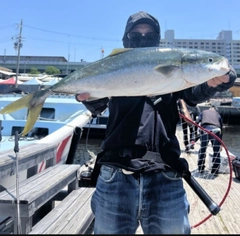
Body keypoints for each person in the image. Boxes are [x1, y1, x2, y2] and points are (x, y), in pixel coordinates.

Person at [75, 11, 237, 234]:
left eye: (149, 34)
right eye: (136, 34)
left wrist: (215, 83)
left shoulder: (174, 74)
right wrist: (85, 94)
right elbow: (97, 104)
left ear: (157, 39)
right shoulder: (114, 69)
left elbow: (193, 93)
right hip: (116, 175)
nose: (142, 38)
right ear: (126, 39)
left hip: (165, 175)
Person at [196, 106, 223, 176]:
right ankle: (215, 171)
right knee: (216, 152)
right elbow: (221, 127)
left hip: (205, 130)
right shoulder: (217, 114)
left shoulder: (203, 112)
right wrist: (221, 143)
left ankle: (201, 168)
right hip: (216, 130)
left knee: (203, 149)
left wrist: (196, 134)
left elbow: (197, 121)